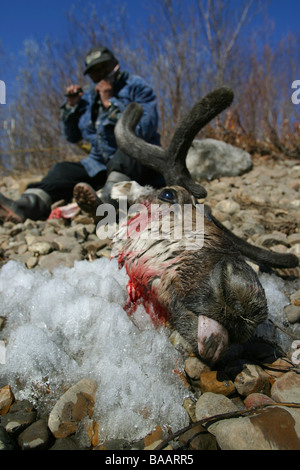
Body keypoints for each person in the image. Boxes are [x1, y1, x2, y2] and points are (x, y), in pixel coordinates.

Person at [0, 46, 164, 224]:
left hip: (137, 159)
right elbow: (72, 136)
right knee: (61, 170)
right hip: (100, 164)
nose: (100, 75)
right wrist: (71, 107)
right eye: (94, 72)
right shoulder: (88, 97)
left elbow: (144, 128)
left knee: (128, 150)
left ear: (115, 65)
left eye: (104, 68)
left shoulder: (137, 87)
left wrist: (109, 102)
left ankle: (109, 205)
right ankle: (26, 206)